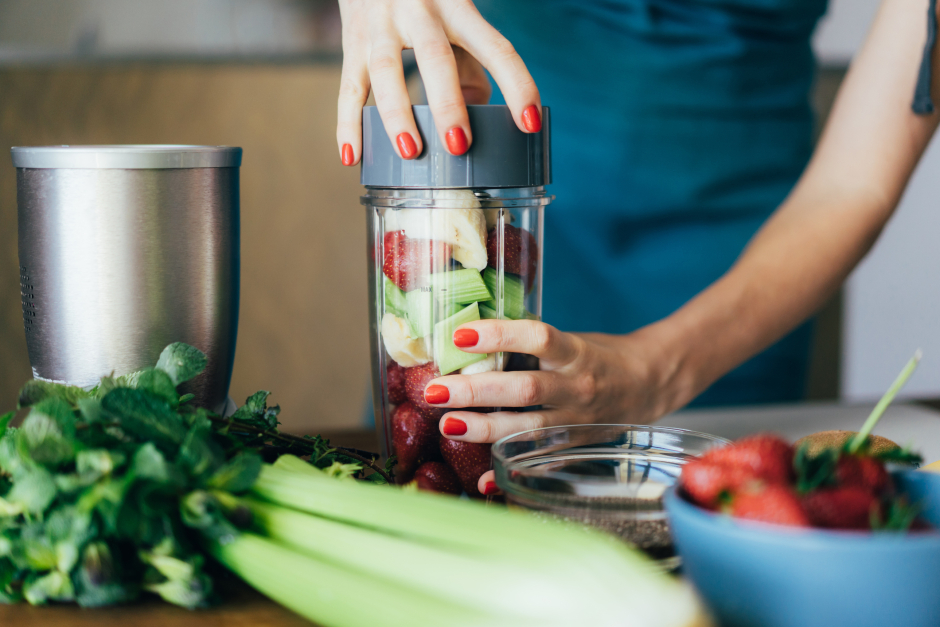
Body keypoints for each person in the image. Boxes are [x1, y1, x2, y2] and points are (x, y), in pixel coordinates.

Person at [336, 0, 940, 492]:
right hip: (480, 216)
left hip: (733, 288)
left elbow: (854, 183)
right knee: (439, 456)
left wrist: (660, 368)